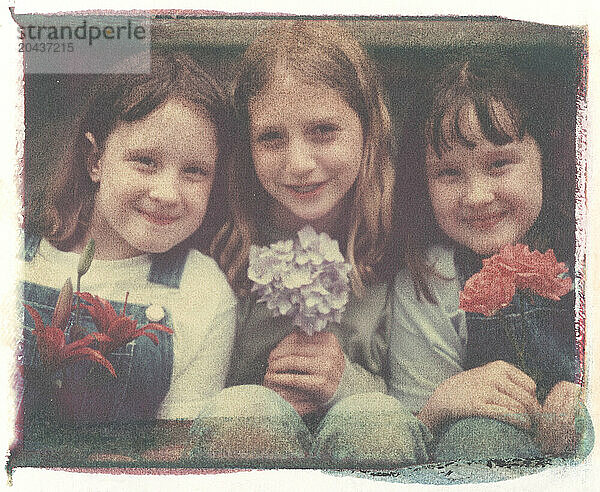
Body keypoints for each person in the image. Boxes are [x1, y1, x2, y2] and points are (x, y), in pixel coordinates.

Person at [190, 21, 431, 467]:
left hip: (366, 439)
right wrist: (265, 391)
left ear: (367, 129)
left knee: (373, 420)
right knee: (243, 411)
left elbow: (418, 406)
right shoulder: (224, 247)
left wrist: (343, 381)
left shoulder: (404, 246)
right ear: (247, 147)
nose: (299, 164)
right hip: (256, 440)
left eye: (323, 130)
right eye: (271, 138)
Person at [18, 51, 237, 461]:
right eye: (145, 162)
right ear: (96, 160)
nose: (168, 193)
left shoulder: (203, 291)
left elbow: (175, 451)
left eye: (195, 171)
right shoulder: (16, 254)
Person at [389, 53, 592, 461]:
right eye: (449, 173)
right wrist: (443, 400)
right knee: (475, 437)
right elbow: (412, 432)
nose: (477, 196)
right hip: (486, 453)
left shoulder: (585, 249)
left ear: (545, 159)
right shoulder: (432, 279)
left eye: (499, 164)